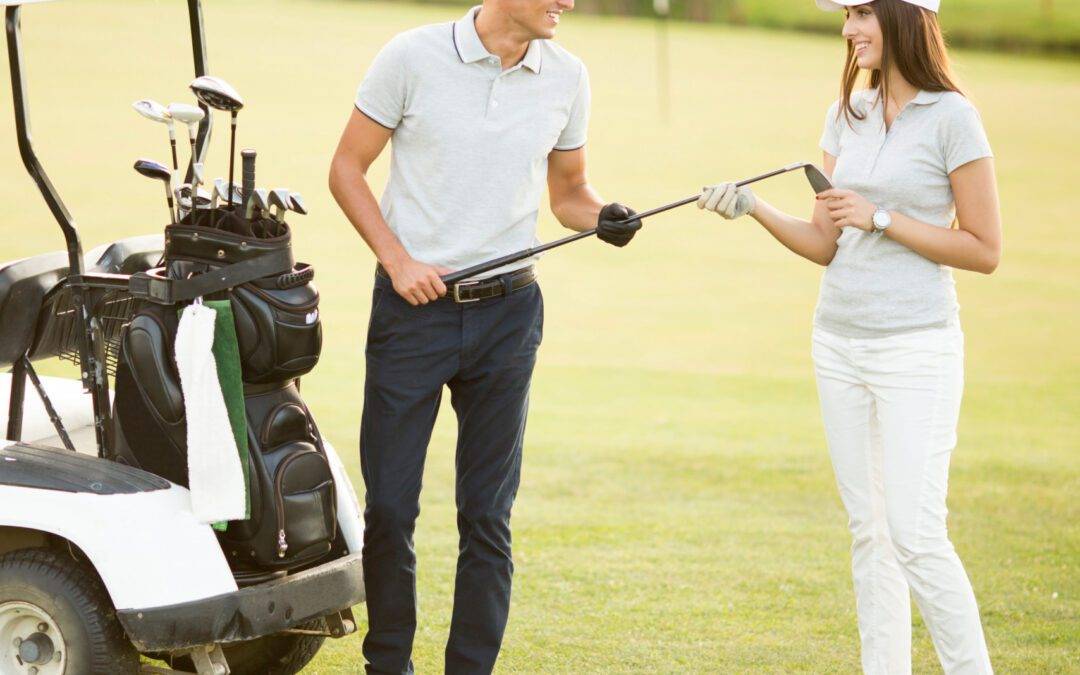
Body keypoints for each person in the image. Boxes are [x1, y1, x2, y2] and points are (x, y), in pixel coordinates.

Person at [328, 1, 642, 672]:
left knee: (488, 514)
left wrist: (604, 216)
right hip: (413, 312)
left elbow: (570, 194)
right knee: (389, 505)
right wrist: (397, 259)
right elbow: (346, 169)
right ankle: (388, 663)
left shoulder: (567, 76)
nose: (570, 2)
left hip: (509, 314)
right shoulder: (411, 57)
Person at [698, 0, 1000, 672]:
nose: (848, 30)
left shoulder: (954, 118)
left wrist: (882, 216)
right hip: (837, 343)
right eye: (847, 16)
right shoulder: (847, 114)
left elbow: (984, 249)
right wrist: (752, 208)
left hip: (915, 348)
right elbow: (825, 242)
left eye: (861, 13)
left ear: (903, 17)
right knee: (871, 534)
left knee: (915, 533)